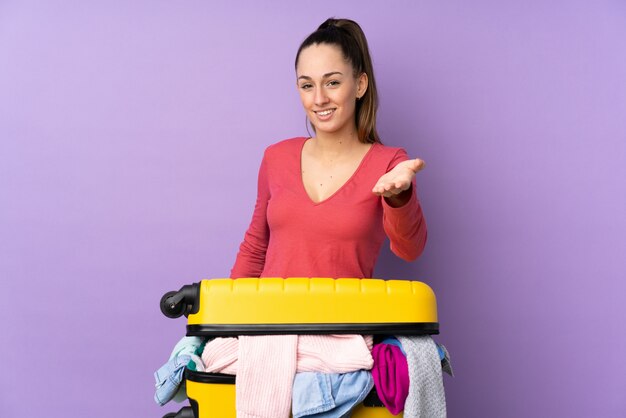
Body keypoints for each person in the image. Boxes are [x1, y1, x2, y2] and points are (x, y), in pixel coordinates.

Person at [230, 18, 427, 280]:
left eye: (332, 82)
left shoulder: (389, 164)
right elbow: (255, 249)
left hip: (347, 320)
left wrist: (399, 198)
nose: (319, 98)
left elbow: (410, 249)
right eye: (307, 85)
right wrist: (228, 317)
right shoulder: (276, 157)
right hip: (272, 319)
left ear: (360, 85)